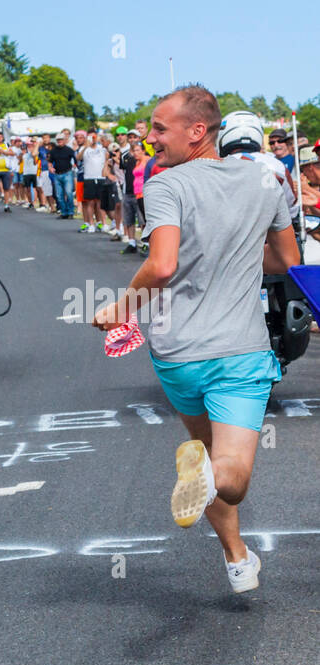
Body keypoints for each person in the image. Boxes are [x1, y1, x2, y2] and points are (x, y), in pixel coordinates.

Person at [91, 86, 300, 592]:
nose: (149, 137)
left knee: (204, 454)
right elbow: (288, 263)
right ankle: (209, 482)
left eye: (159, 128)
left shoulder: (165, 185)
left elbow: (162, 265)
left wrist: (117, 310)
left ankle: (236, 556)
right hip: (240, 353)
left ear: (197, 130)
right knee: (231, 474)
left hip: (179, 356)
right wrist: (241, 262)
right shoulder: (262, 180)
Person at [48, 132, 77, 219]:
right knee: (59, 195)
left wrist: (74, 166)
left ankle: (71, 211)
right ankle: (64, 212)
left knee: (69, 193)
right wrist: (50, 167)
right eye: (58, 140)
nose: (59, 141)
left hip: (67, 173)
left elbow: (76, 160)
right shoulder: (53, 151)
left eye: (61, 139)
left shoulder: (69, 150)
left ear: (64, 140)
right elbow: (49, 161)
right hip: (57, 174)